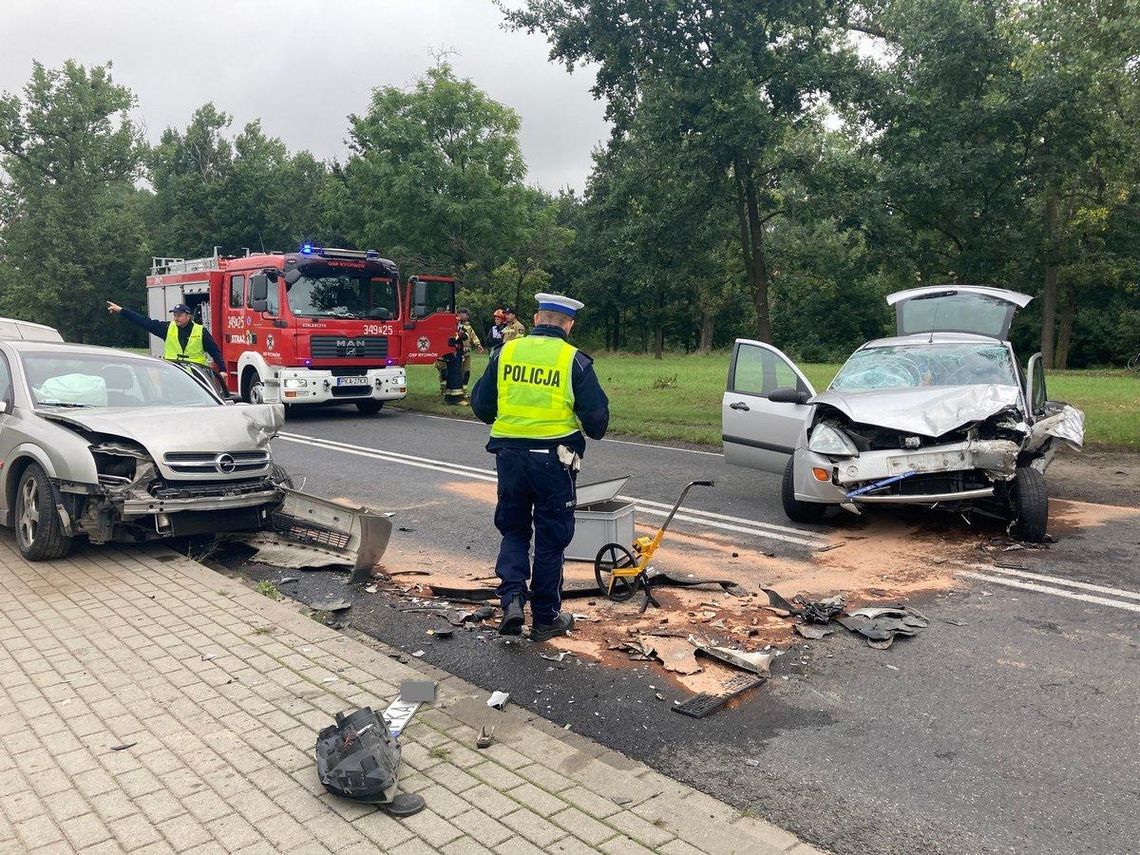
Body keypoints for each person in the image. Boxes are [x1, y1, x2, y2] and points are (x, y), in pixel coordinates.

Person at [470, 292, 609, 641]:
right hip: (554, 461)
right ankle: (546, 617)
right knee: (551, 538)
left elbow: (482, 407)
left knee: (514, 530)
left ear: (535, 319)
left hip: (510, 458)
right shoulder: (573, 361)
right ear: (569, 325)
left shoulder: (505, 353)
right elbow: (597, 423)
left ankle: (513, 599)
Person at [107, 301, 225, 374]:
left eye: (179, 315)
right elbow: (144, 322)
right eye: (174, 315)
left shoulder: (200, 331)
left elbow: (214, 351)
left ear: (188, 316)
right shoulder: (167, 328)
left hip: (196, 374)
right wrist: (121, 310)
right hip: (173, 373)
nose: (176, 318)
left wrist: (223, 370)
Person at [434, 307, 483, 403]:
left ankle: (452, 395)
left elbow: (468, 336)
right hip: (453, 351)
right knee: (454, 373)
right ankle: (455, 397)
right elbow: (456, 336)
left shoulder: (462, 325)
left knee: (460, 373)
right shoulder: (449, 324)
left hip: (459, 352)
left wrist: (477, 344)